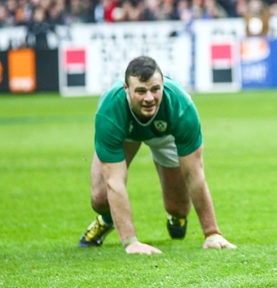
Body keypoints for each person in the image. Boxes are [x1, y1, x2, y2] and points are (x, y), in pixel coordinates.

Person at [78, 56, 236, 254]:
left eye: (155, 89)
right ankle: (108, 220)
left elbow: (195, 176)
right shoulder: (110, 111)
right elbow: (115, 182)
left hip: (166, 135)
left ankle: (176, 216)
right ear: (126, 88)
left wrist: (212, 233)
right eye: (141, 91)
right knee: (100, 198)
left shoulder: (181, 107)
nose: (149, 98)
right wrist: (130, 242)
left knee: (178, 207)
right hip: (126, 133)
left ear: (163, 84)